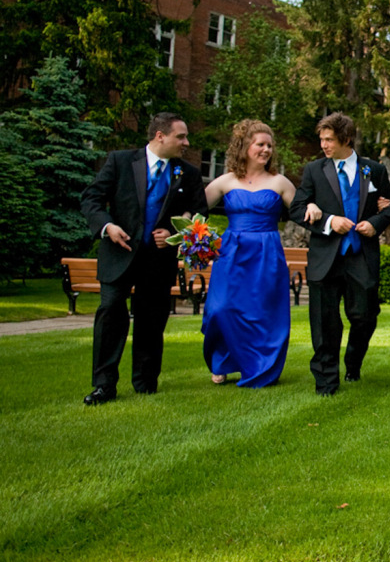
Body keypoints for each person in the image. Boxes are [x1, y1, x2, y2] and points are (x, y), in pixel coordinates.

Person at [80, 112, 207, 405]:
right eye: (181, 136)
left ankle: (145, 383)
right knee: (110, 313)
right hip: (119, 254)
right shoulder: (120, 161)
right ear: (160, 136)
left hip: (158, 260)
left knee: (151, 320)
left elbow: (199, 211)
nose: (186, 142)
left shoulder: (187, 173)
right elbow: (91, 199)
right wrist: (107, 227)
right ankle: (104, 385)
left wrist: (176, 231)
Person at [289, 113, 390, 396]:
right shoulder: (314, 170)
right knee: (324, 321)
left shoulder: (374, 170)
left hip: (361, 255)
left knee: (365, 316)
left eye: (329, 139)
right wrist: (328, 221)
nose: (323, 145)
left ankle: (353, 362)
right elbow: (296, 208)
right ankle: (326, 381)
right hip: (325, 257)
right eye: (321, 139)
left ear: (346, 139)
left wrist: (375, 224)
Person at [202, 120, 317, 388]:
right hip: (231, 252)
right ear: (244, 146)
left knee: (263, 311)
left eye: (269, 146)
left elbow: (300, 210)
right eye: (260, 144)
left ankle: (260, 367)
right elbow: (194, 209)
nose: (266, 150)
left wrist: (311, 206)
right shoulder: (226, 180)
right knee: (221, 308)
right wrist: (196, 236)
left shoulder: (279, 182)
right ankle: (222, 361)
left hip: (266, 253)